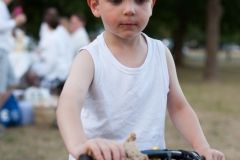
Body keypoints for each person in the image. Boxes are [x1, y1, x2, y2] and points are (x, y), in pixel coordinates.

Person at [56, 1, 225, 160]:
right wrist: (80, 144)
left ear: (151, 4)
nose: (129, 9)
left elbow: (179, 108)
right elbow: (69, 102)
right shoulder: (90, 57)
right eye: (116, 0)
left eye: (140, 0)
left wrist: (202, 146)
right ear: (95, 6)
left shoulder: (161, 53)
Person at [27, 6, 73, 90]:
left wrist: (41, 73)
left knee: (31, 75)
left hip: (59, 71)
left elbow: (52, 62)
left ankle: (42, 93)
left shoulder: (54, 37)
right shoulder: (61, 32)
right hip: (62, 67)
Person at [0, 0, 26, 107]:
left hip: (4, 50)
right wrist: (16, 21)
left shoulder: (3, 6)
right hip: (1, 50)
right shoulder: (0, 5)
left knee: (13, 82)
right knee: (2, 88)